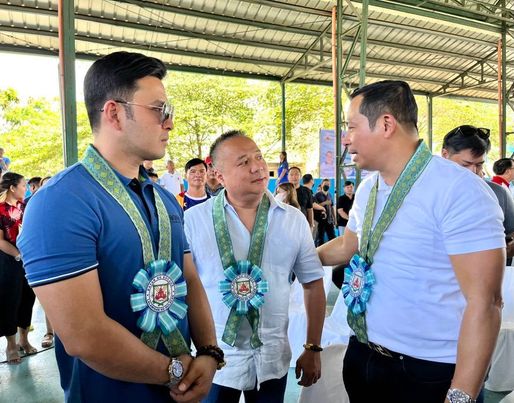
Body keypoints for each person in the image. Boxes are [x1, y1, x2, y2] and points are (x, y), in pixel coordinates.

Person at [18, 51, 219, 403]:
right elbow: (84, 335)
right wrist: (175, 372)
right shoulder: (60, 202)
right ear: (113, 113)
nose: (170, 123)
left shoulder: (164, 199)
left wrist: (208, 352)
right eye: (159, 110)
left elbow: (189, 280)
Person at [317, 80, 504, 403]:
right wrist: (295, 257)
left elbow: (485, 302)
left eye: (352, 127)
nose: (346, 139)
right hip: (364, 354)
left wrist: (460, 396)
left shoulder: (458, 190)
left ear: (386, 124)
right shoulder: (369, 188)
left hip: (426, 369)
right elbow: (348, 246)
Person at [184, 130, 326, 403]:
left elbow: (312, 283)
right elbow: (186, 290)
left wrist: (313, 347)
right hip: (215, 360)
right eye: (243, 162)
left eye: (258, 157)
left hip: (272, 357)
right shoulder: (193, 221)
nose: (257, 167)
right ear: (219, 176)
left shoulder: (293, 220)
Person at [442, 125, 514, 265]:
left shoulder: (498, 193)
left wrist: (505, 247)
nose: (473, 172)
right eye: (465, 165)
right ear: (445, 155)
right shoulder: (426, 192)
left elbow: (512, 232)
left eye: (479, 165)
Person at [0, 172, 37, 365]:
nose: (26, 189)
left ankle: (24, 339)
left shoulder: (26, 207)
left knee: (28, 298)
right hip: (7, 261)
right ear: (12, 188)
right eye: (23, 185)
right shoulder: (0, 209)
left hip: (27, 260)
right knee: (10, 301)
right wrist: (17, 255)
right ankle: (11, 345)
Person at [314, 179, 336, 246]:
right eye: (325, 184)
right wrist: (325, 203)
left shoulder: (330, 195)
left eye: (328, 184)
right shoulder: (317, 195)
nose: (326, 185)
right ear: (322, 185)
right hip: (321, 220)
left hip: (329, 220)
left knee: (332, 237)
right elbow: (314, 206)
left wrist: (334, 219)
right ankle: (319, 251)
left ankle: (333, 250)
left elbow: (332, 207)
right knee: (320, 238)